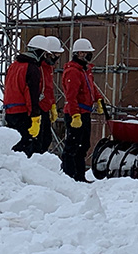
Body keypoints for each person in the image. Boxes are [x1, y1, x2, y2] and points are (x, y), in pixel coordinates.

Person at [61, 38, 103, 182]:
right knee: (72, 146)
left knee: (83, 145)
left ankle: (79, 176)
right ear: (80, 53)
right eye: (88, 52)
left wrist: (98, 99)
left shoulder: (85, 71)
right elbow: (71, 96)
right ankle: (69, 177)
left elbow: (91, 87)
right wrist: (75, 115)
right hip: (76, 113)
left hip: (84, 113)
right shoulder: (73, 72)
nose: (90, 55)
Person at [2, 35, 48, 157]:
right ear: (40, 52)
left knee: (13, 146)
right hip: (23, 113)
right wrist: (35, 116)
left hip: (10, 111)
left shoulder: (14, 65)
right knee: (25, 148)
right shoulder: (32, 68)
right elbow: (31, 94)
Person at [34, 35, 64, 154]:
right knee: (38, 140)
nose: (57, 57)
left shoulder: (48, 68)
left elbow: (49, 89)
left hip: (44, 107)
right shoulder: (38, 67)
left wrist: (52, 105)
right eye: (56, 54)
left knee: (46, 139)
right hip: (37, 108)